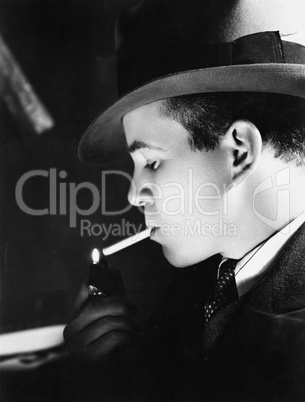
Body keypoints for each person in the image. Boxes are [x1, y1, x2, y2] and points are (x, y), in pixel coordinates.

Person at [64, 0, 305, 400]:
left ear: (239, 152)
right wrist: (115, 369)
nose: (133, 193)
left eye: (152, 161)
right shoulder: (204, 285)